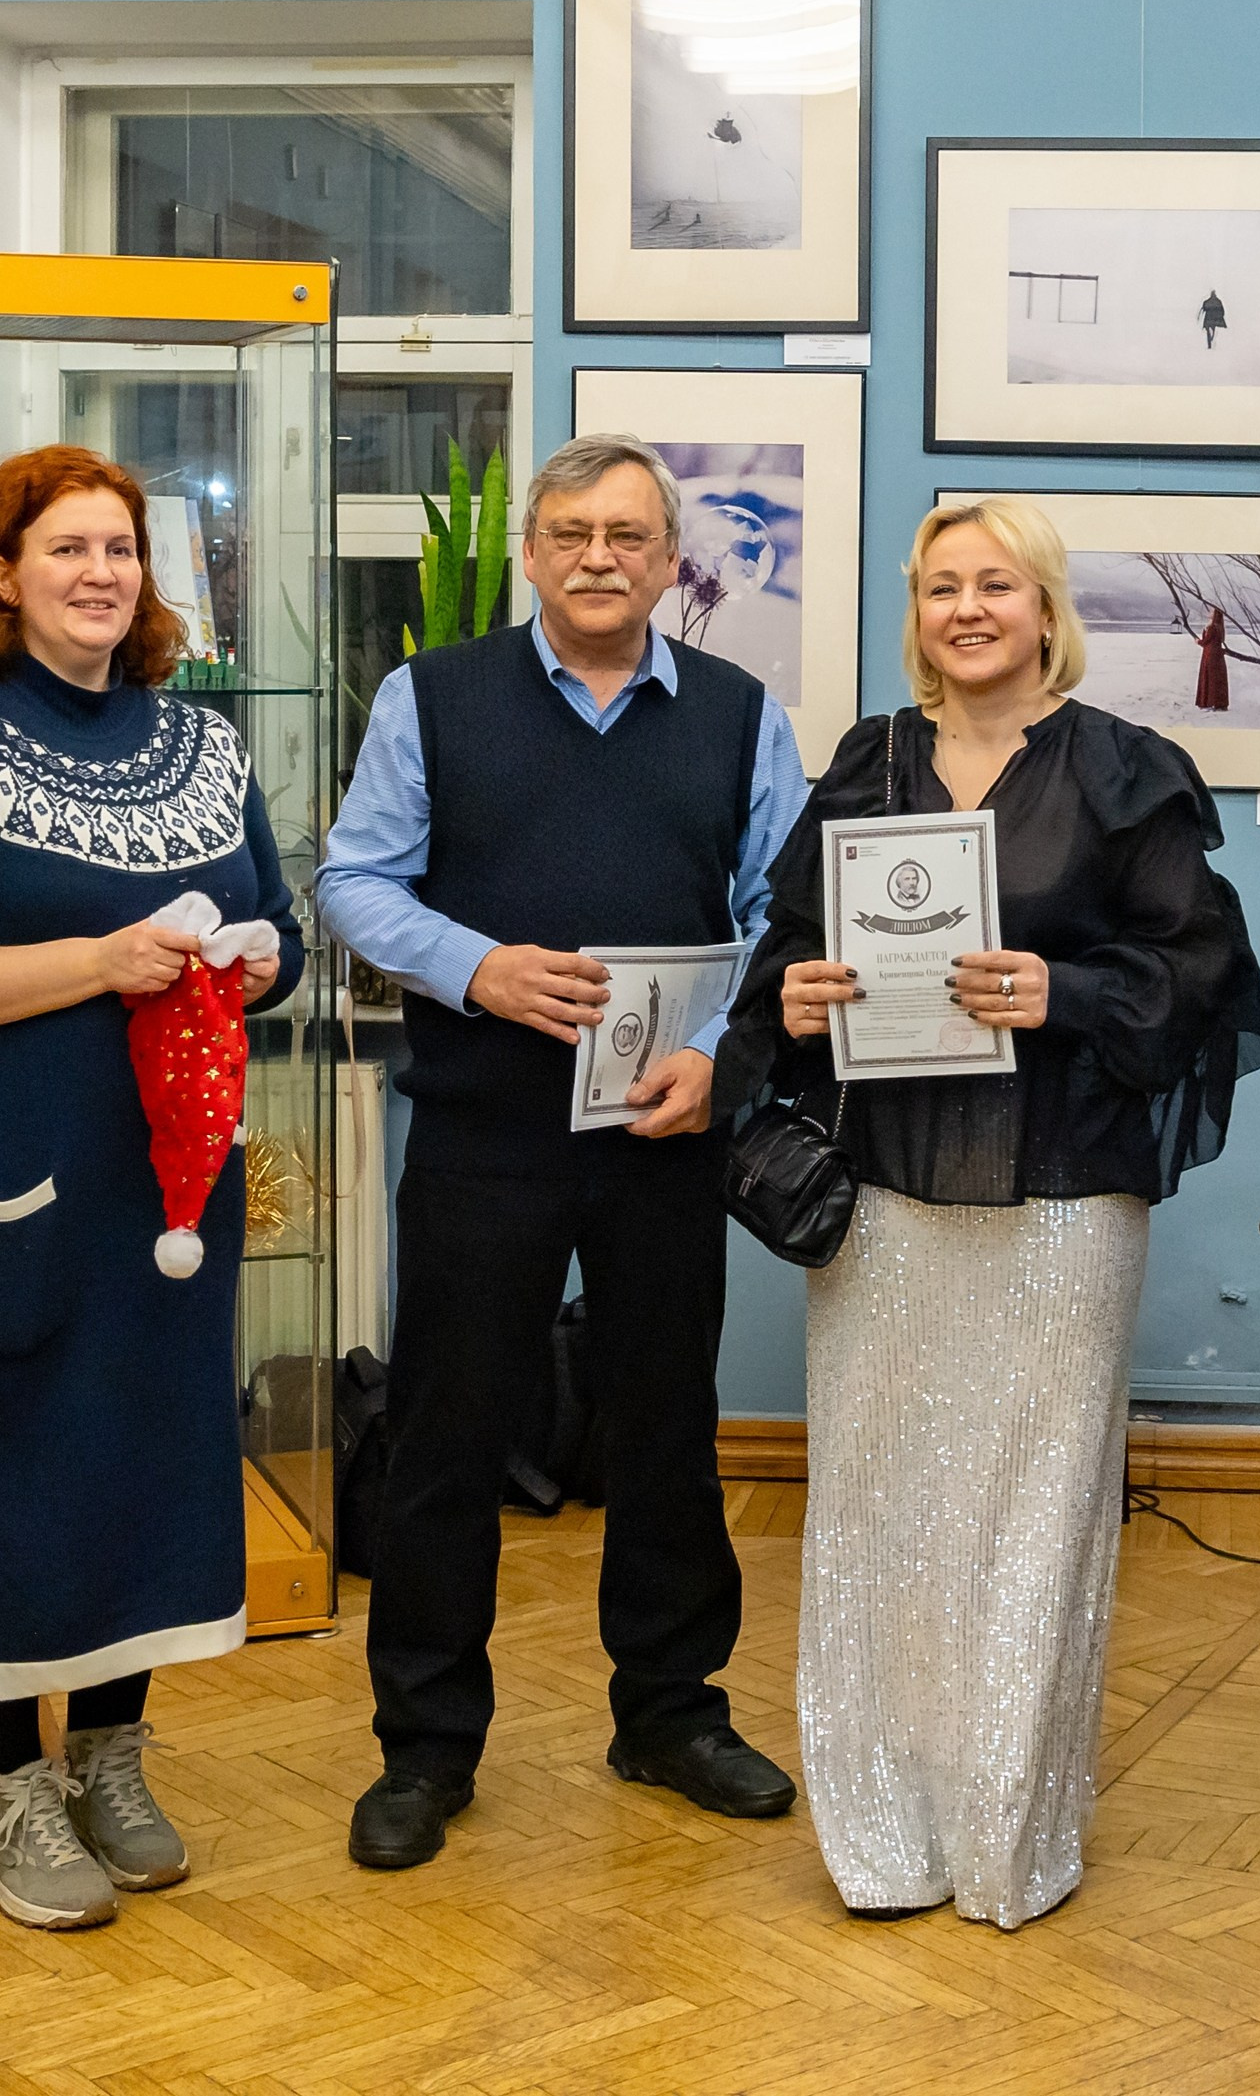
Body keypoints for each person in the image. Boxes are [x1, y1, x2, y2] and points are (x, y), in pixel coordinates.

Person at [718, 496, 1260, 1927]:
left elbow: (1202, 970)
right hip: (888, 1196)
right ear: (919, 611)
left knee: (1035, 1512)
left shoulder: (1126, 772)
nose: (969, 608)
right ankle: (884, 1831)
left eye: (997, 584)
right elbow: (785, 947)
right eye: (943, 585)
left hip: (1060, 1199)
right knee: (880, 1505)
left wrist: (1062, 991)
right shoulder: (865, 766)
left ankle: (1006, 1834)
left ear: (1044, 607)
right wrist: (796, 991)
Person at [319, 434, 809, 1871]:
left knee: (666, 1430)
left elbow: (784, 912)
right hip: (485, 1131)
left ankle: (670, 1711)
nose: (601, 557)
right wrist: (478, 970)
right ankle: (425, 1746)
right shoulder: (432, 698)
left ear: (671, 566)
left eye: (630, 537)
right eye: (573, 532)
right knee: (446, 1439)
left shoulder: (738, 713)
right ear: (531, 554)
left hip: (663, 1135)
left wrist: (719, 1059)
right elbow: (353, 878)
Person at [0, 445, 304, 1931]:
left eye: (120, 548)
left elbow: (276, 932)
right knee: (11, 1463)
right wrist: (101, 965)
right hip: (4, 1182)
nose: (101, 573)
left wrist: (258, 959)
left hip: (168, 1186)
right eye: (65, 550)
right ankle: (8, 1791)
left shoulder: (208, 749)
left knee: (143, 1458)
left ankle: (109, 1754)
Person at [1195, 605, 1231, 713]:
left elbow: (1206, 642)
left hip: (1210, 655)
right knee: (1215, 678)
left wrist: (1198, 641)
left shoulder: (1212, 627)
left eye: (1212, 611)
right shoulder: (1218, 626)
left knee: (1209, 678)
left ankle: (1209, 702)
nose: (1209, 612)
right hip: (1216, 655)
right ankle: (1217, 702)